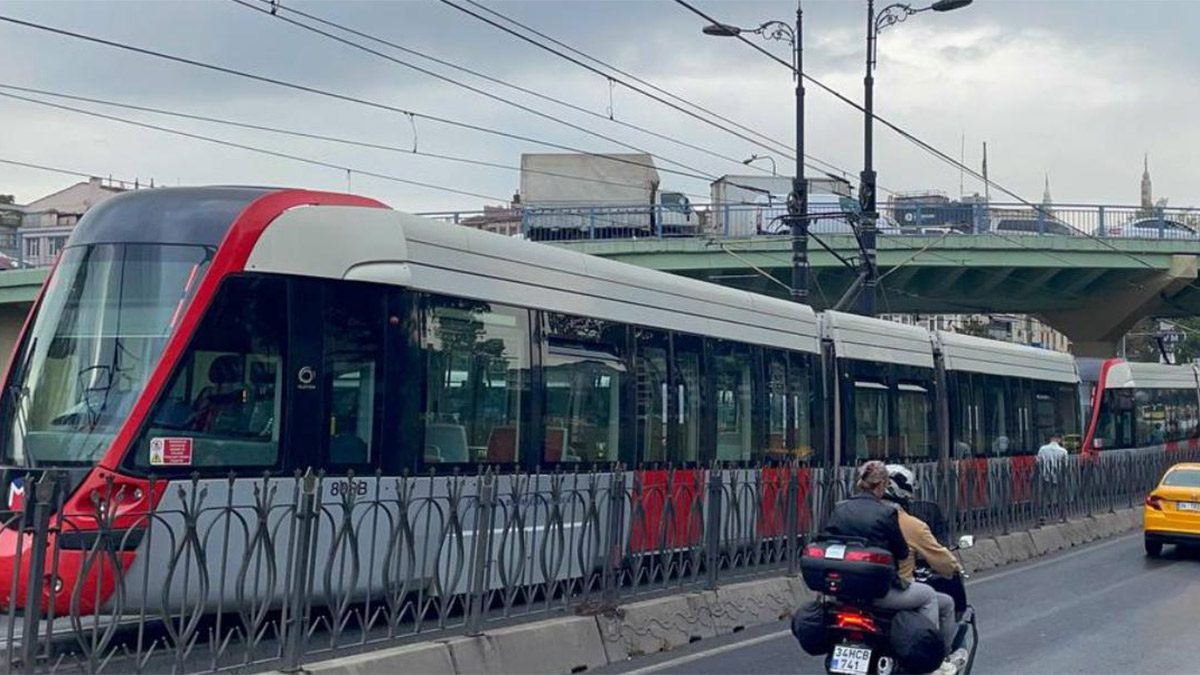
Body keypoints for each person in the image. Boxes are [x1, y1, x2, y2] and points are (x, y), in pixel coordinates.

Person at [823, 462, 953, 669]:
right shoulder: (891, 517)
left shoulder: (841, 509)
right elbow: (901, 552)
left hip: (845, 592)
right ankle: (933, 663)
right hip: (881, 593)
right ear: (882, 484)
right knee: (930, 596)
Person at [883, 465, 969, 673]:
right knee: (939, 600)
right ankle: (935, 660)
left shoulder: (855, 517)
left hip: (852, 591)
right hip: (890, 591)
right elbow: (942, 560)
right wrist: (954, 568)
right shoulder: (909, 524)